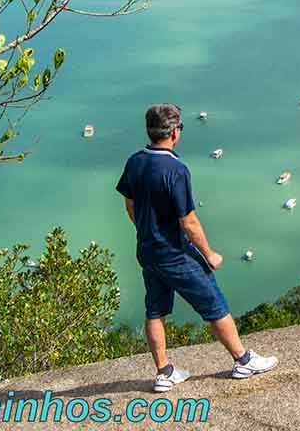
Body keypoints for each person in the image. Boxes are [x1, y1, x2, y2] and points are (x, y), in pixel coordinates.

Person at [117, 103, 278, 392]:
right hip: (175, 254)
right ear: (175, 133)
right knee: (215, 305)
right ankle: (243, 361)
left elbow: (130, 204)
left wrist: (146, 232)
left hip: (148, 251)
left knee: (155, 309)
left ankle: (164, 372)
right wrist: (210, 254)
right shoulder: (175, 169)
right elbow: (189, 221)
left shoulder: (135, 161)